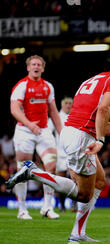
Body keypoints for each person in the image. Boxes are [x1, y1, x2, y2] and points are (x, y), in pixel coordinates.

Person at [7, 49, 110, 241]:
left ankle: (78, 232)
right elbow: (103, 110)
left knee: (99, 180)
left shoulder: (92, 80)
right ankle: (33, 172)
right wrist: (100, 141)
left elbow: (98, 120)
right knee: (83, 194)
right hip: (82, 138)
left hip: (72, 132)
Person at [10, 55, 63, 220]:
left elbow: (53, 111)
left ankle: (47, 208)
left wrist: (62, 132)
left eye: (39, 64)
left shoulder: (48, 87)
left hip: (43, 130)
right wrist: (29, 124)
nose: (36, 66)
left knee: (52, 165)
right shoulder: (21, 86)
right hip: (24, 131)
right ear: (28, 68)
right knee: (23, 170)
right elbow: (14, 109)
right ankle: (22, 210)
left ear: (43, 68)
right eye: (33, 64)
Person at [47, 97, 74, 212]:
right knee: (61, 181)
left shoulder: (75, 116)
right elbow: (47, 132)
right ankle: (62, 205)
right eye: (66, 103)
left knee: (75, 180)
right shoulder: (56, 116)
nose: (68, 105)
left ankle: (74, 204)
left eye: (70, 103)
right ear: (62, 105)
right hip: (60, 154)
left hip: (73, 153)